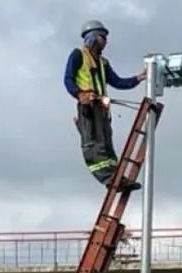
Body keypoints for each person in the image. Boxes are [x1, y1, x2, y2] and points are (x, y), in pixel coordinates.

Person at [63, 20, 147, 190]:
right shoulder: (78, 55)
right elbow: (68, 79)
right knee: (93, 143)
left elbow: (117, 82)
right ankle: (107, 177)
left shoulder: (103, 62)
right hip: (88, 106)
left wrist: (139, 78)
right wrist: (80, 94)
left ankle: (116, 176)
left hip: (101, 108)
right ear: (92, 37)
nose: (106, 41)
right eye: (103, 37)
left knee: (106, 143)